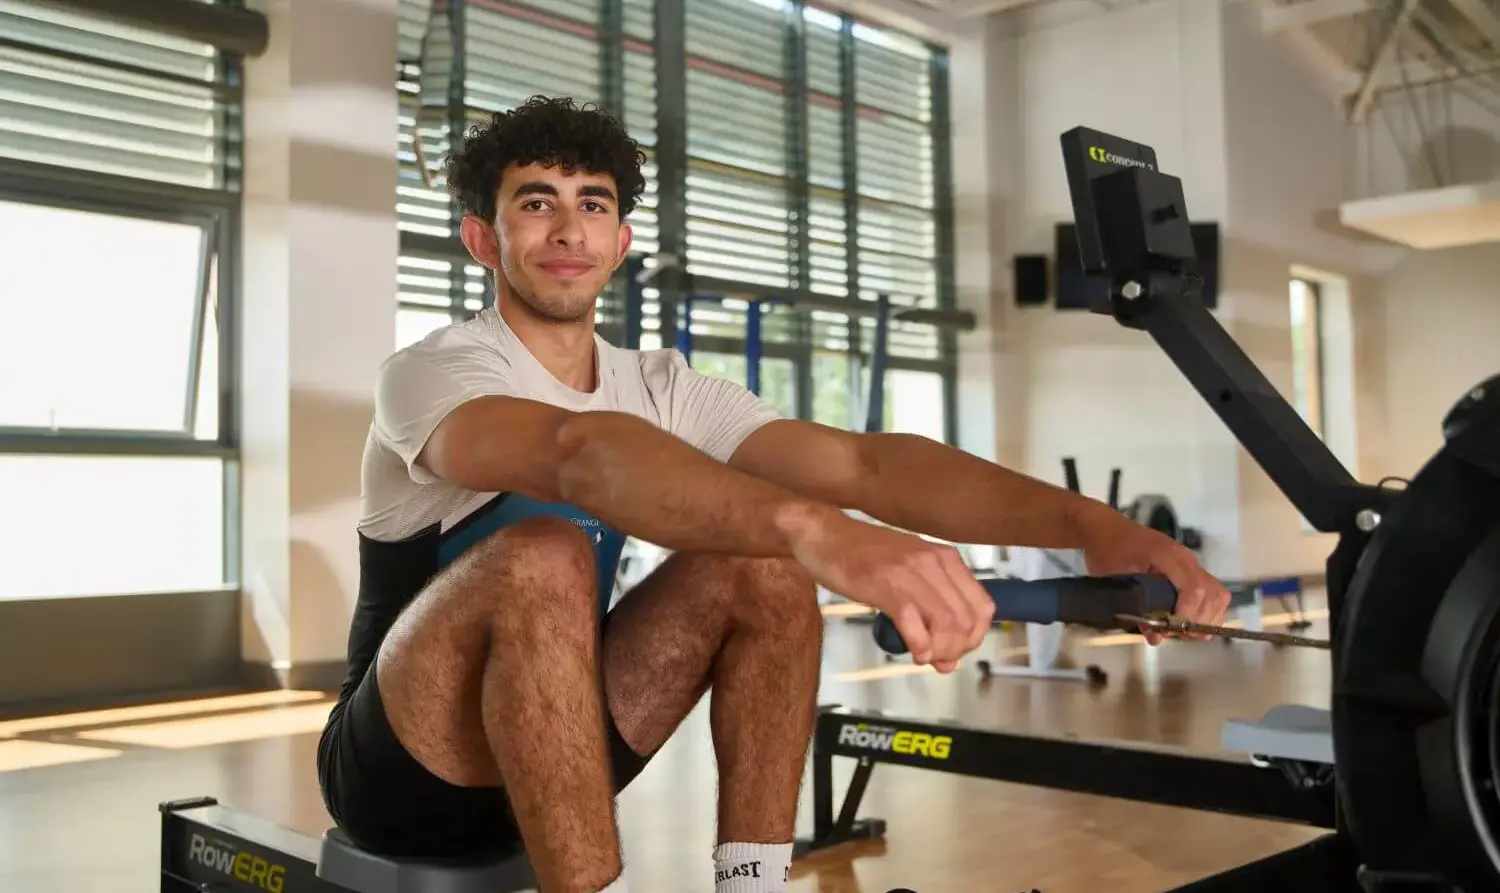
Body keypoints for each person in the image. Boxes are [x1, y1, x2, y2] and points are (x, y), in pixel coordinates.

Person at [316, 95, 1230, 893]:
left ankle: (751, 885)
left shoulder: (662, 384)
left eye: (592, 205)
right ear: (483, 236)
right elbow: (573, 452)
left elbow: (866, 466)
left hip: (564, 743)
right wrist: (819, 529)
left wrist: (1093, 527)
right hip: (404, 773)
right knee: (542, 553)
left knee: (762, 568)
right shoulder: (433, 374)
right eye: (536, 204)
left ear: (621, 242)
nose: (568, 231)